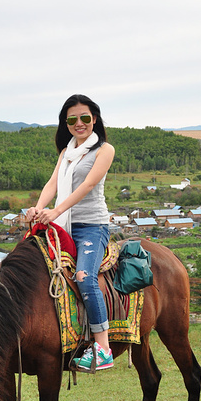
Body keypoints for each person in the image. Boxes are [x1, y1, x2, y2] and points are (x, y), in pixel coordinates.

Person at [26, 94, 115, 371]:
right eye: (72, 119)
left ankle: (102, 348)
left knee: (84, 277)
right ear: (65, 123)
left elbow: (87, 185)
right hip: (63, 224)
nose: (79, 123)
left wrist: (55, 211)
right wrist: (38, 208)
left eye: (85, 118)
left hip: (91, 227)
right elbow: (52, 183)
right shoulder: (66, 153)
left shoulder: (104, 150)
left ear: (94, 120)